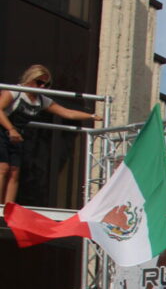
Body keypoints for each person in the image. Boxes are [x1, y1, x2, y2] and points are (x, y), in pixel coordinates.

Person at [0, 65, 101, 204]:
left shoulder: (41, 100)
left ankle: (8, 210)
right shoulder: (15, 92)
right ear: (29, 79)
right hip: (3, 130)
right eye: (39, 82)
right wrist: (11, 129)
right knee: (3, 168)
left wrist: (91, 116)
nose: (42, 87)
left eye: (46, 84)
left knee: (14, 171)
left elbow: (67, 112)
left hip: (17, 135)